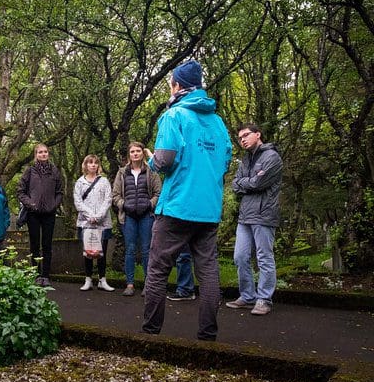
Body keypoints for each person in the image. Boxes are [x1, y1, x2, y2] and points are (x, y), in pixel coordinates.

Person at [141, 59, 232, 341]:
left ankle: (150, 333)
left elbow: (165, 160)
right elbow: (225, 161)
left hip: (177, 206)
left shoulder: (174, 116)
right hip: (209, 209)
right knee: (208, 272)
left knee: (157, 269)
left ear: (177, 85)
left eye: (171, 82)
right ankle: (207, 334)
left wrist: (151, 162)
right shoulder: (218, 123)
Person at [225, 123, 283, 316]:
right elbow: (235, 184)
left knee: (264, 257)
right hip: (245, 216)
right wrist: (248, 182)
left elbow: (260, 183)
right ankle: (247, 296)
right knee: (240, 257)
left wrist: (247, 182)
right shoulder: (245, 160)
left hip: (264, 214)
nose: (242, 139)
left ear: (258, 134)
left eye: (246, 135)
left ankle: (264, 299)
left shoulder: (272, 157)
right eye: (240, 137)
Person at [112, 142, 162, 296]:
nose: (135, 154)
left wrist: (149, 204)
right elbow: (115, 195)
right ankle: (130, 284)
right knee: (130, 250)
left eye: (138, 151)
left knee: (147, 250)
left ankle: (149, 284)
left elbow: (158, 193)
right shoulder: (122, 173)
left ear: (142, 153)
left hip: (146, 216)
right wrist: (124, 205)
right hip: (128, 217)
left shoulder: (151, 171)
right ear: (129, 154)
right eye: (132, 151)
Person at [17, 143, 63, 288]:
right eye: (40, 152)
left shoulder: (55, 171)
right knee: (35, 245)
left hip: (49, 214)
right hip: (33, 214)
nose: (43, 154)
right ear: (35, 155)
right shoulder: (30, 171)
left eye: (45, 152)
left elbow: (60, 192)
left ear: (48, 154)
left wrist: (53, 205)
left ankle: (46, 276)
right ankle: (37, 275)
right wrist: (30, 203)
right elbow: (20, 191)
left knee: (47, 245)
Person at [73, 155, 115, 292]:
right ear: (85, 165)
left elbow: (108, 199)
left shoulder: (104, 181)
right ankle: (88, 279)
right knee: (88, 252)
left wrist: (98, 215)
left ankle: (102, 280)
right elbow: (78, 201)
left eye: (96, 163)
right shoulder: (80, 182)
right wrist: (90, 215)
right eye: (90, 163)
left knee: (101, 251)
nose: (93, 165)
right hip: (86, 222)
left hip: (102, 222)